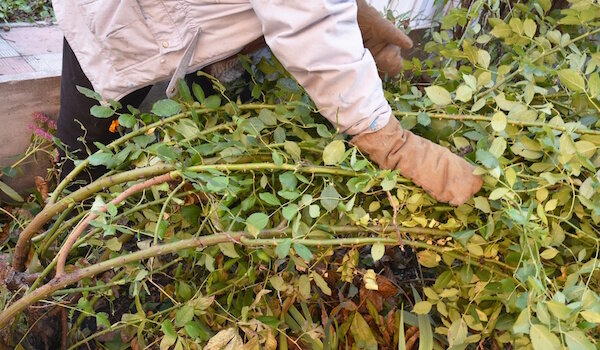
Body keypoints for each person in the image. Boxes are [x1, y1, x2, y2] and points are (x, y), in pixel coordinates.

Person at [52, 0, 482, 205]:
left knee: (200, 95)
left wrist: (351, 10)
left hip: (186, 15)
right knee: (90, 136)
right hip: (123, 16)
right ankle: (72, 210)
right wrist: (386, 138)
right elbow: (307, 21)